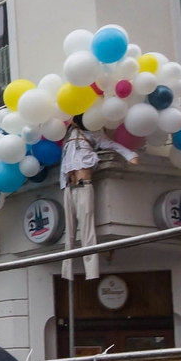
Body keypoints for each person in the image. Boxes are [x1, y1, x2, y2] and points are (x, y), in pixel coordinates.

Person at [59, 115, 139, 280]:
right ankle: (67, 272)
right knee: (70, 234)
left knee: (87, 231)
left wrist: (130, 155)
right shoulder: (67, 136)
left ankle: (92, 272)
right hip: (68, 186)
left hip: (83, 185)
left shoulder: (93, 133)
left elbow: (111, 144)